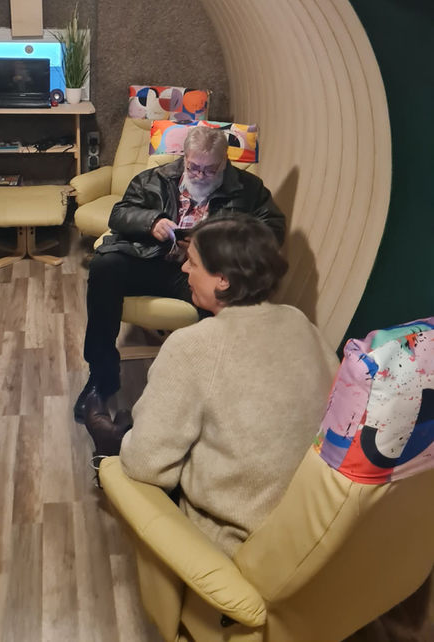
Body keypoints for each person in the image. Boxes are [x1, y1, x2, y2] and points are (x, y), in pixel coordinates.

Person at [116, 213, 337, 557]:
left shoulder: (193, 345)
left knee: (117, 448)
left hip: (240, 540)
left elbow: (147, 465)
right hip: (314, 527)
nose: (184, 270)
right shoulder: (298, 321)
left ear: (222, 279)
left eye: (193, 263)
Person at [73, 124, 286, 422]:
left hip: (200, 273)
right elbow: (119, 214)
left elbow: (273, 230)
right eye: (194, 167)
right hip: (150, 257)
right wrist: (152, 222)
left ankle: (206, 388)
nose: (200, 175)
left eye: (210, 169)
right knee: (104, 267)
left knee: (226, 299)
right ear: (184, 157)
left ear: (225, 161)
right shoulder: (155, 178)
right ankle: (101, 377)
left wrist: (219, 240)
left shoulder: (248, 189)